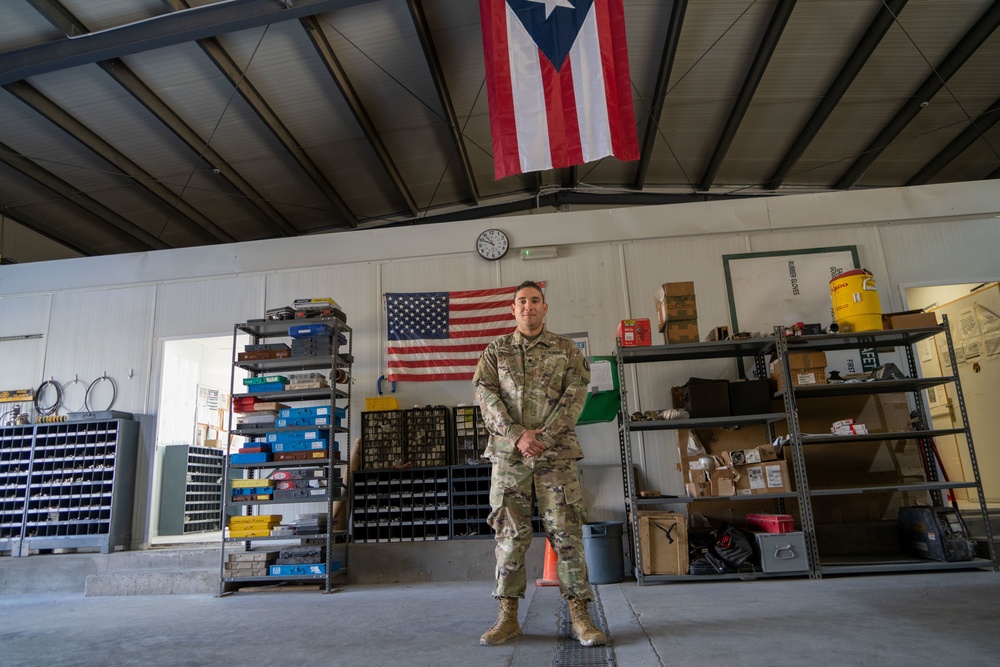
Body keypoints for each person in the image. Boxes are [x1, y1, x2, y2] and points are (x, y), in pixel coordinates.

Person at [473, 280, 606, 647]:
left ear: (545, 308)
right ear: (512, 310)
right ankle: (508, 617)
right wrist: (518, 435)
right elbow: (485, 395)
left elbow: (575, 397)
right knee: (509, 536)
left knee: (567, 533)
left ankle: (581, 615)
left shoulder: (566, 350)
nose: (528, 306)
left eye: (534, 301)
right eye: (521, 301)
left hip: (556, 457)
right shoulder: (495, 351)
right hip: (509, 458)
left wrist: (543, 437)